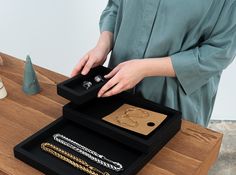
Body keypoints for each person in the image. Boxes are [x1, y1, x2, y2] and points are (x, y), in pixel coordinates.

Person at [71, 0, 236, 127]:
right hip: (117, 86)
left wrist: (145, 68)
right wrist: (103, 45)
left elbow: (220, 51)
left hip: (176, 99)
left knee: (171, 166)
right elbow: (116, 6)